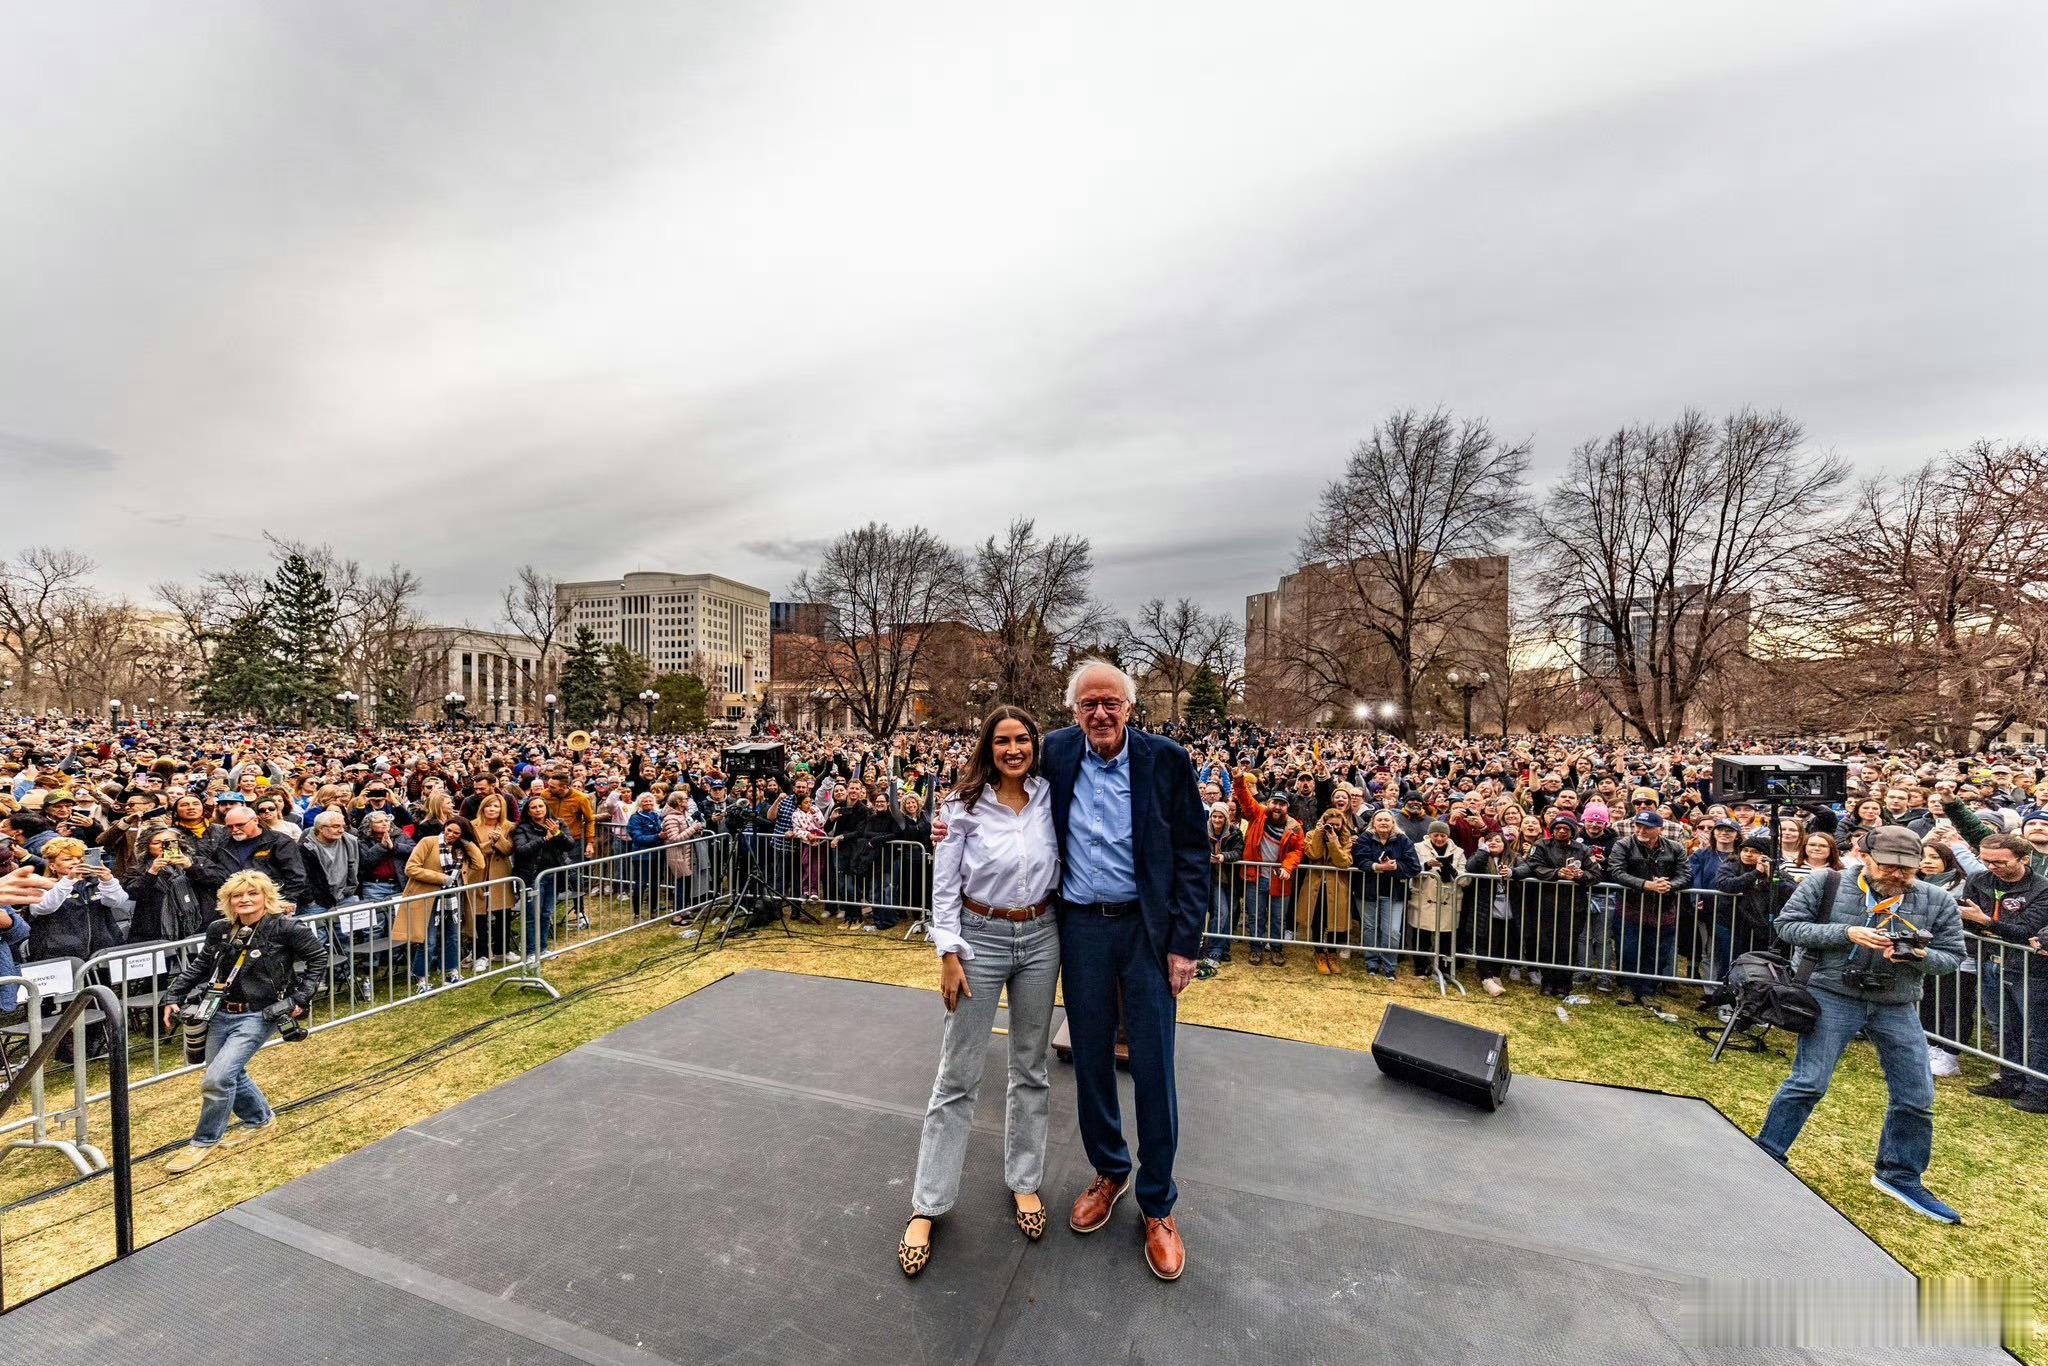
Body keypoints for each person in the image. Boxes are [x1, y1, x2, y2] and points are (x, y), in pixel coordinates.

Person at [1042, 660, 1207, 1281]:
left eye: (1112, 702)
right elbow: (992, 771)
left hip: (1146, 930)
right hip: (1081, 926)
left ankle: (1158, 1203)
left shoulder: (1164, 760)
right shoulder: (1055, 753)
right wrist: (952, 820)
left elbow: (1194, 851)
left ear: (1130, 709)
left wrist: (1184, 943)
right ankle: (1110, 1170)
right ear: (1074, 711)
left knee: (1154, 1064)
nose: (1101, 714)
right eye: (1090, 704)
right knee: (1088, 1056)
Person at [897, 706, 1062, 1278]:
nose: (1013, 749)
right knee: (958, 1074)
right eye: (1002, 741)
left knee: (1030, 1068)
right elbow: (944, 886)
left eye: (1022, 739)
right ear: (987, 748)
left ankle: (1024, 1182)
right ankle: (929, 1204)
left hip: (1042, 936)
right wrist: (947, 951)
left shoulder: (1050, 795)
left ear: (1035, 745)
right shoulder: (961, 807)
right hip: (980, 939)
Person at [1756, 826, 1966, 1222]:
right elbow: (1787, 926)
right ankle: (1766, 1153)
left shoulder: (1936, 899)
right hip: (1832, 993)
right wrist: (1845, 933)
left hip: (1896, 1002)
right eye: (1888, 866)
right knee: (1809, 1081)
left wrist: (1917, 956)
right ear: (1865, 856)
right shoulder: (1828, 882)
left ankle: (1901, 1175)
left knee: (1917, 1096)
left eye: (1907, 869)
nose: (1897, 875)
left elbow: (1952, 956)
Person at [159, 870, 327, 1175]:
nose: (245, 900)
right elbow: (201, 964)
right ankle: (260, 1121)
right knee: (227, 1073)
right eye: (238, 895)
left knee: (218, 1079)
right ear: (228, 901)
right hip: (220, 1011)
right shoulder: (219, 929)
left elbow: (318, 958)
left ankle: (203, 1141)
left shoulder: (286, 927)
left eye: (252, 894)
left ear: (266, 897)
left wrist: (300, 998)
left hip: (261, 1014)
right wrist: (173, 995)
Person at [1954, 833, 2048, 1113]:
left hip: (2030, 968)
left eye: (2000, 862)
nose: (1992, 867)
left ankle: (2039, 1090)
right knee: (2002, 1025)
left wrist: (1987, 922)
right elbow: (1965, 916)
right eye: (1986, 861)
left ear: (2024, 859)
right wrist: (1985, 926)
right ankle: (2009, 1079)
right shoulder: (1979, 880)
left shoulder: (2042, 889)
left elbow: (2026, 931)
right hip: (1990, 960)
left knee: (2037, 1031)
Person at [401, 814, 482, 990]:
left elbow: (479, 864)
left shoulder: (462, 849)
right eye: (449, 829)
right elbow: (411, 868)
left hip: (452, 900)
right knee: (428, 941)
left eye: (457, 832)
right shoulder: (428, 842)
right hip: (428, 898)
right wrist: (442, 878)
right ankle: (421, 978)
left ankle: (452, 971)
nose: (450, 834)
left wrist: (468, 842)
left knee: (453, 937)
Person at [26, 837, 135, 960]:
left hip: (103, 952)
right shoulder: (41, 886)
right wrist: (68, 880)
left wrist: (108, 880)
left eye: (79, 858)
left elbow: (117, 901)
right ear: (52, 866)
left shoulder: (96, 883)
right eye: (68, 859)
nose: (76, 862)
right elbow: (44, 908)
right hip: (60, 956)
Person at [1197, 801, 1244, 974]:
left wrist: (1224, 856)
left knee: (1223, 913)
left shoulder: (1234, 832)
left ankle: (1217, 950)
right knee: (1202, 913)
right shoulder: (1202, 829)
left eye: (1220, 817)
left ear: (1226, 818)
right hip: (1204, 878)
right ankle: (1203, 949)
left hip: (1225, 879)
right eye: (1214, 816)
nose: (1217, 820)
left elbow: (1239, 851)